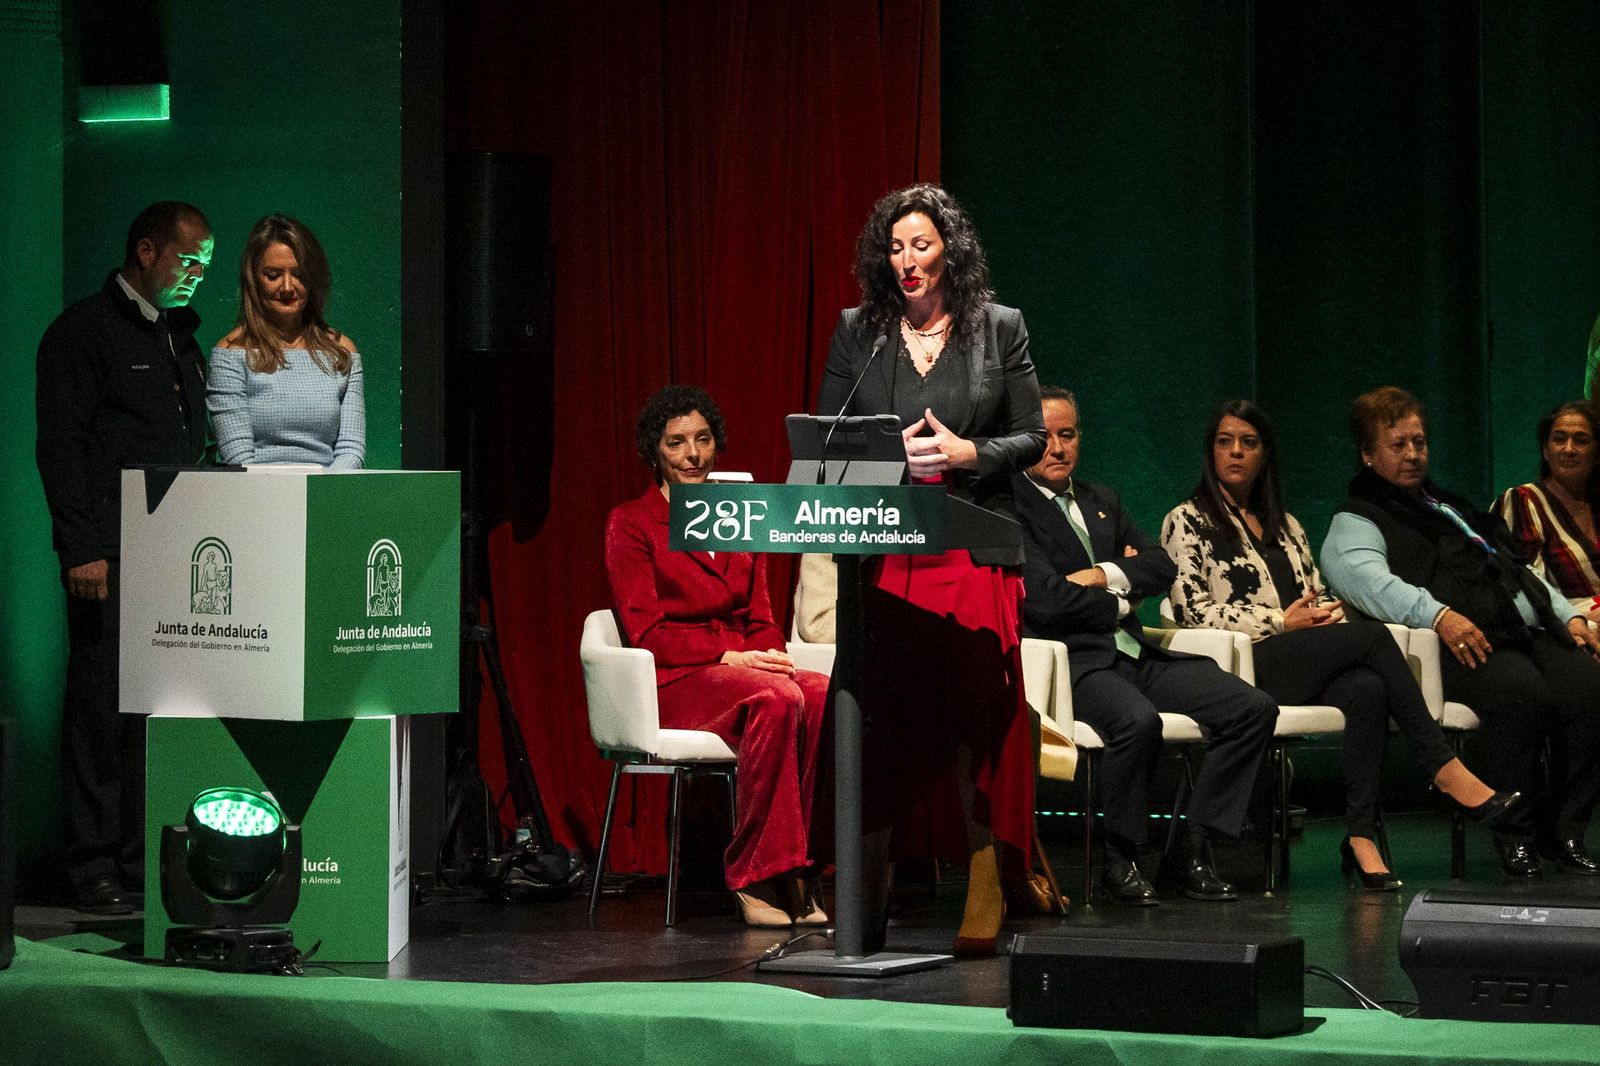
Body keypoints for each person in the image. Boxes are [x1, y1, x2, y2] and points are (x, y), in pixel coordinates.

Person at [817, 183, 1044, 953]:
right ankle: (865, 895)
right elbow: (828, 437)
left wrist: (965, 452)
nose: (907, 261)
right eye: (895, 248)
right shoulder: (861, 332)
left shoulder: (997, 329)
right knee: (884, 718)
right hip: (888, 546)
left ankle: (986, 884)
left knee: (970, 714)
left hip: (971, 543)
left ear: (951, 250)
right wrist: (890, 460)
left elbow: (1033, 438)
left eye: (921, 246)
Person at [1163, 399, 1515, 890]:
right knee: (1371, 638)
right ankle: (1441, 765)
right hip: (1240, 665)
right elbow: (1192, 610)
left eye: (1249, 443)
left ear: (1265, 454)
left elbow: (1317, 593)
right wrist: (1279, 621)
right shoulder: (1187, 520)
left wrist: (1324, 615)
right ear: (1211, 452)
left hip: (1303, 655)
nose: (1236, 453)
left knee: (1367, 687)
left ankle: (1360, 836)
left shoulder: (1288, 527)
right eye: (1225, 443)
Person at [1322, 386, 1600, 877]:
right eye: (1398, 444)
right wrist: (1439, 614)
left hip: (1518, 629)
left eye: (1419, 442)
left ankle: (1566, 830)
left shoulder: (1450, 508)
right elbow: (1364, 580)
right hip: (1450, 644)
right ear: (1368, 455)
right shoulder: (1357, 517)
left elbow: (1517, 570)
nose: (1413, 454)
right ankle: (1515, 832)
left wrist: (1567, 615)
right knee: (1520, 693)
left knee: (1588, 687)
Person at [1017, 389, 1276, 903]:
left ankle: (1191, 845)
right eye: (1044, 437)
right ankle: (1121, 856)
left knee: (1251, 707)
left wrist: (1097, 574)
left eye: (1067, 435)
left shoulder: (1102, 501)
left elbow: (1160, 564)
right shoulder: (1010, 507)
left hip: (1135, 653)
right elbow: (1043, 599)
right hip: (1074, 663)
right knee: (1137, 722)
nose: (1057, 448)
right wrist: (1119, 597)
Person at [35, 201, 215, 914]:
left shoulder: (181, 337)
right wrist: (81, 547)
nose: (198, 274)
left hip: (174, 554)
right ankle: (92, 864)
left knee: (153, 712)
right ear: (146, 251)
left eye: (205, 263)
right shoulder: (83, 331)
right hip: (107, 554)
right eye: (187, 259)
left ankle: (143, 856)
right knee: (99, 711)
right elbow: (62, 444)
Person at [605, 385, 830, 925]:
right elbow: (647, 632)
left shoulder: (738, 518)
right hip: (672, 679)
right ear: (654, 452)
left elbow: (762, 619)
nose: (692, 455)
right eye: (677, 443)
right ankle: (754, 874)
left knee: (821, 693)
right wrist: (732, 657)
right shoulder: (631, 523)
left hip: (738, 673)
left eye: (702, 440)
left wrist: (771, 654)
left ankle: (803, 867)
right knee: (776, 698)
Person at [207, 214, 364, 468]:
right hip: (255, 499)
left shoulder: (341, 351)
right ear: (253, 279)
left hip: (324, 498)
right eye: (273, 275)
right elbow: (238, 458)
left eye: (299, 274)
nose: (288, 287)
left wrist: (320, 498)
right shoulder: (230, 353)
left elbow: (351, 450)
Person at [1496, 401, 1600, 622]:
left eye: (1581, 441)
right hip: (1562, 631)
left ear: (1597, 453)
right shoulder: (1522, 500)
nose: (1569, 449)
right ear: (1545, 450)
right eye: (1559, 439)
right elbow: (1523, 588)